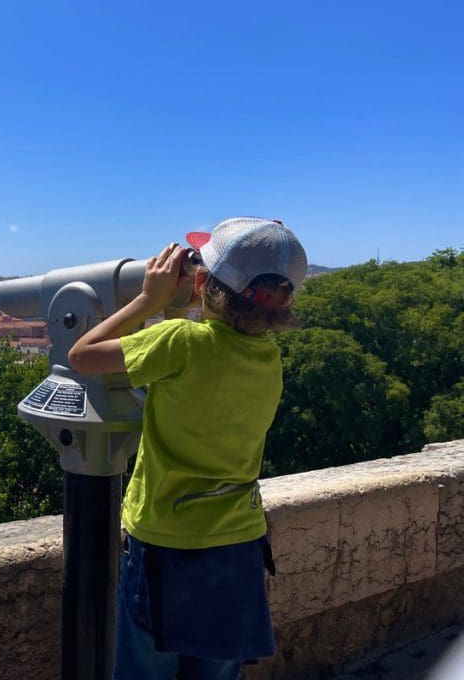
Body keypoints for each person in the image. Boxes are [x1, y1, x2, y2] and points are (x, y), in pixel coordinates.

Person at [67, 217, 308, 680]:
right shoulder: (267, 359)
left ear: (201, 282)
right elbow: (195, 372)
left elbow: (83, 356)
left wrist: (148, 300)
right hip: (237, 548)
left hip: (165, 545)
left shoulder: (179, 343)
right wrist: (182, 311)